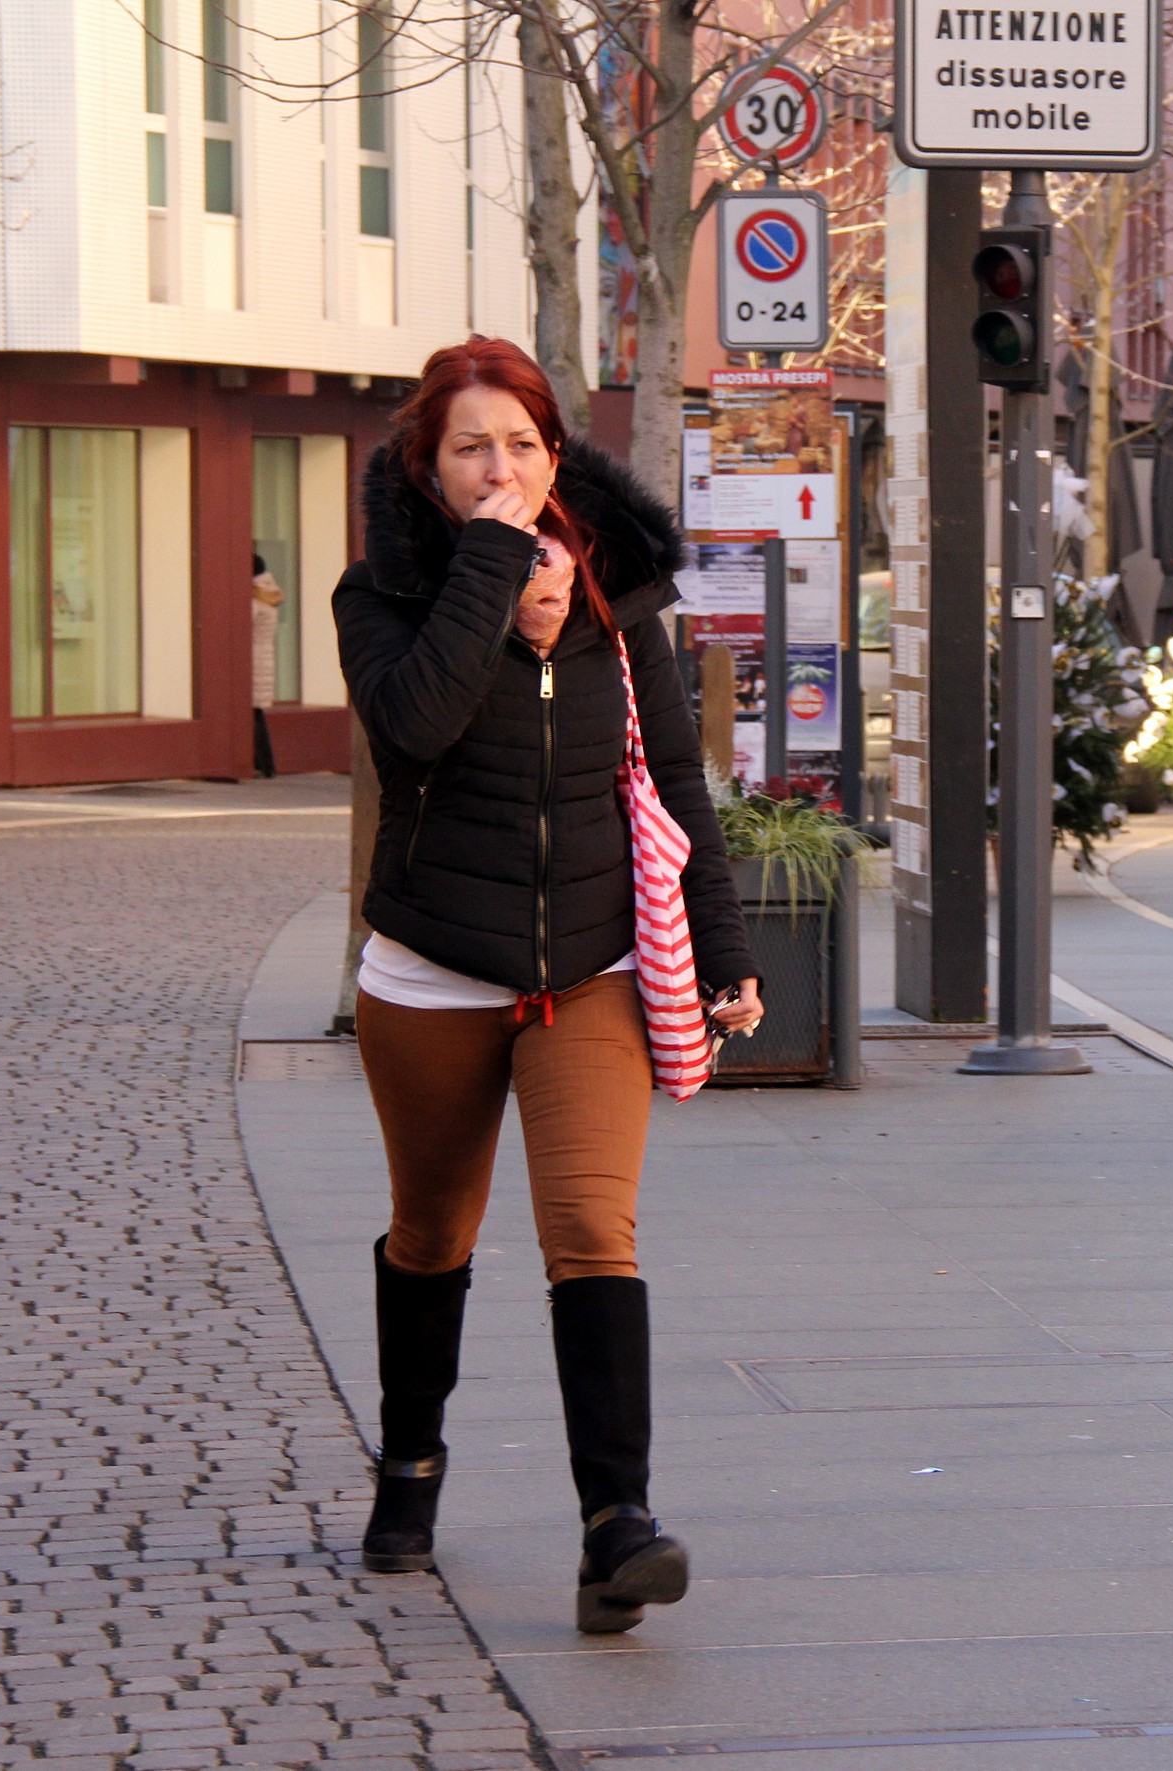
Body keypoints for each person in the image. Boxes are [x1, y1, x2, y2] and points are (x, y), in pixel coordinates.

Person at [333, 336, 764, 1633]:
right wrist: (491, 574)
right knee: (433, 1233)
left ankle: (615, 1524)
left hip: (593, 969)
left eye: (522, 443)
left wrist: (726, 945)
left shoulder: (620, 600)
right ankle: (411, 1466)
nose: (501, 467)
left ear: (555, 452)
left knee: (594, 1233)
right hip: (431, 971)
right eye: (473, 445)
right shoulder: (384, 594)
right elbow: (410, 725)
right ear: (429, 461)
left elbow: (674, 783)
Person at [251, 553, 283, 778]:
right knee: (256, 712)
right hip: (263, 656)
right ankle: (264, 763)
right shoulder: (268, 593)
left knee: (254, 713)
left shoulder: (254, 598)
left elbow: (240, 624)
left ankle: (266, 764)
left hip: (252, 659)